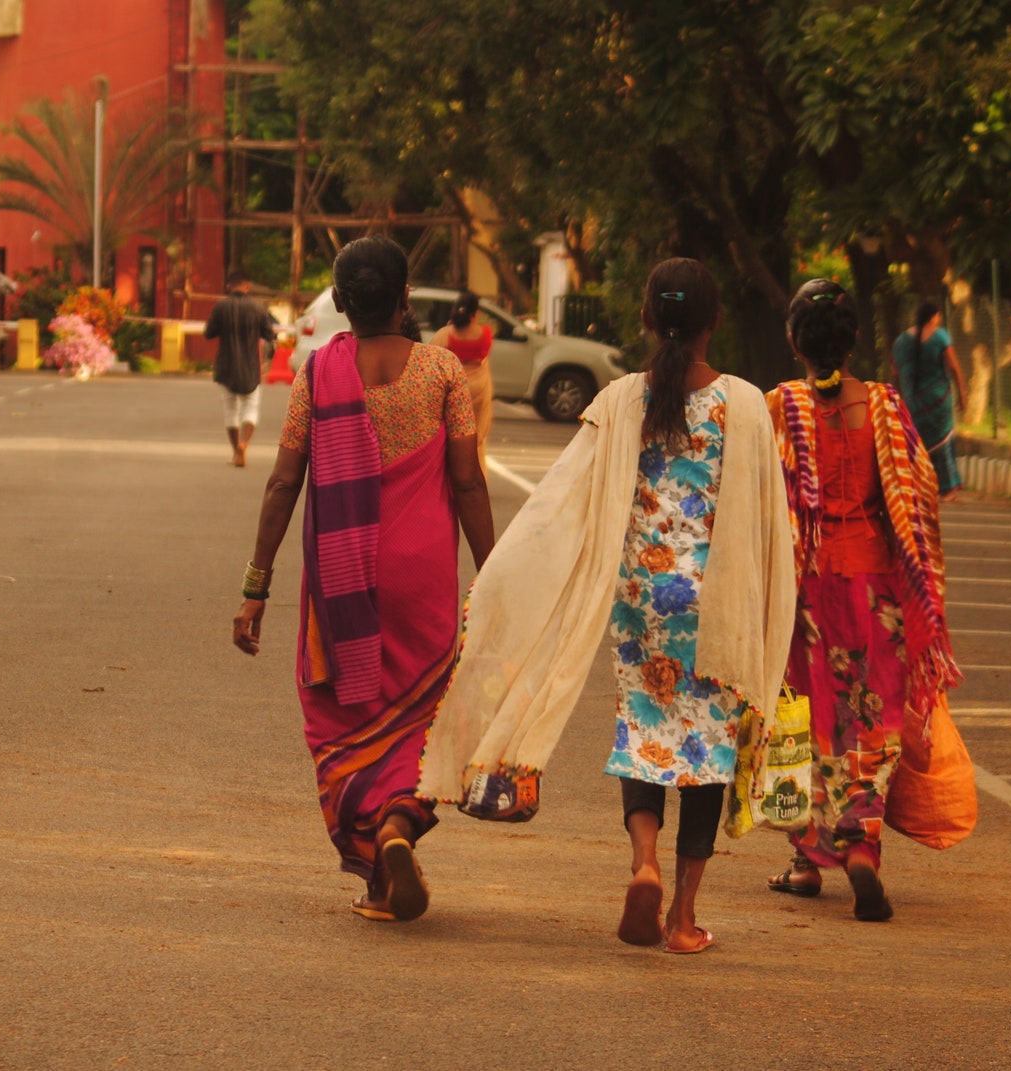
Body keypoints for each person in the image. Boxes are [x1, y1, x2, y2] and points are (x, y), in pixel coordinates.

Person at [418, 258, 795, 955]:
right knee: (705, 751)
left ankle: (642, 862)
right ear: (715, 321)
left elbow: (560, 501)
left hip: (639, 600)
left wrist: (504, 575)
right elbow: (774, 517)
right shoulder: (744, 403)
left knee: (646, 727)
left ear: (648, 318)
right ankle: (682, 918)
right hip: (717, 600)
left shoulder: (622, 397)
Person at [232, 236, 495, 922]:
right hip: (423, 576)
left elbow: (284, 481)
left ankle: (381, 856)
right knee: (424, 716)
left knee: (341, 718)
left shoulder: (320, 374)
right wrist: (495, 576)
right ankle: (397, 829)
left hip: (343, 579)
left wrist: (255, 587)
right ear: (406, 297)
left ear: (342, 302)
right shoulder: (443, 370)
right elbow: (467, 482)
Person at [766, 279, 960, 921]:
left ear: (796, 342)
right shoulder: (884, 405)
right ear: (854, 340)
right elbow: (920, 492)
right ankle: (863, 845)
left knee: (807, 715)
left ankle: (806, 857)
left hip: (806, 588)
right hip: (877, 588)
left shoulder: (779, 407)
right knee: (870, 717)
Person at [891, 299, 967, 499]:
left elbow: (895, 372)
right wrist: (962, 396)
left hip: (912, 404)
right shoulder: (940, 337)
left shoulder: (901, 341)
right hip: (938, 402)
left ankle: (914, 486)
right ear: (933, 317)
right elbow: (955, 367)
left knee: (916, 443)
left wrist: (900, 399)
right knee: (943, 443)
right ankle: (948, 488)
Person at [205, 274, 276, 467]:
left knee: (231, 410)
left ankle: (236, 450)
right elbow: (270, 334)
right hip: (251, 366)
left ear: (229, 287)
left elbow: (208, 333)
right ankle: (245, 443)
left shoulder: (221, 307)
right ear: (246, 287)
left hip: (226, 366)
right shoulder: (258, 308)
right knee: (250, 407)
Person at [431, 290, 494, 469]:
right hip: (479, 389)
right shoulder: (485, 334)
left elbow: (433, 363)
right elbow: (484, 362)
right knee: (475, 438)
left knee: (451, 436)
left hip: (453, 390)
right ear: (475, 314)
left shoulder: (444, 335)